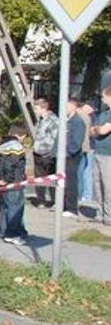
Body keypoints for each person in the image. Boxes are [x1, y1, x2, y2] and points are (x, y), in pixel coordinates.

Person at [0, 124, 30, 245]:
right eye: (24, 137)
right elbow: (10, 164)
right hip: (13, 182)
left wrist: (0, 178)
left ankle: (5, 231)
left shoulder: (3, 145)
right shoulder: (16, 146)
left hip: (3, 182)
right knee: (15, 208)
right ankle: (12, 234)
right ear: (21, 135)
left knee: (5, 207)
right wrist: (8, 178)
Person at [88, 88, 111, 225]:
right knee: (97, 185)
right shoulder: (104, 114)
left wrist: (98, 129)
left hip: (109, 154)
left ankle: (109, 215)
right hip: (98, 152)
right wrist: (98, 129)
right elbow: (92, 131)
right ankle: (99, 213)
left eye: (103, 97)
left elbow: (102, 130)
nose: (102, 99)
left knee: (108, 185)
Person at [31, 98, 59, 208]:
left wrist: (48, 151)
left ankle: (54, 200)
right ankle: (41, 200)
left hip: (47, 154)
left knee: (51, 178)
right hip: (37, 152)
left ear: (44, 108)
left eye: (36, 108)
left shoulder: (53, 120)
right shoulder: (40, 120)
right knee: (39, 178)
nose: (35, 111)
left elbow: (54, 138)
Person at [63, 97, 85, 217]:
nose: (64, 109)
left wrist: (69, 152)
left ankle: (72, 208)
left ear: (73, 106)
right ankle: (64, 205)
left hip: (72, 156)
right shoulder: (66, 120)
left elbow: (77, 141)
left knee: (71, 181)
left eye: (66, 106)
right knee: (63, 181)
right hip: (64, 155)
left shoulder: (77, 121)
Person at [79, 99, 95, 205]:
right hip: (89, 146)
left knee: (86, 172)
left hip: (89, 147)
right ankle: (87, 195)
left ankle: (87, 195)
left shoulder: (90, 117)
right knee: (86, 171)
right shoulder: (91, 117)